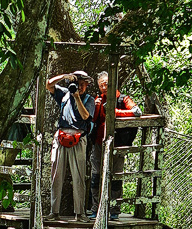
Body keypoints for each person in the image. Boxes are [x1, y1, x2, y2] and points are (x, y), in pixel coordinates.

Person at [87, 72, 141, 220]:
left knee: (116, 175)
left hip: (119, 143)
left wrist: (115, 112)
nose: (104, 87)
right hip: (99, 143)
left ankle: (114, 210)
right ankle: (95, 209)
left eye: (106, 84)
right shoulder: (98, 100)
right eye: (101, 85)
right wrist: (97, 109)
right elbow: (92, 119)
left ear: (113, 84)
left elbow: (136, 112)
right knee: (96, 175)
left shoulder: (123, 99)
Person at [46, 71, 95, 220]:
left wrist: (77, 97)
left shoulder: (89, 99)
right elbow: (48, 84)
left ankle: (79, 213)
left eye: (82, 84)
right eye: (77, 84)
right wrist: (64, 76)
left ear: (86, 85)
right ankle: (54, 212)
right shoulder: (63, 93)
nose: (79, 87)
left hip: (78, 138)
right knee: (56, 175)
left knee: (79, 176)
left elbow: (85, 116)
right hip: (61, 136)